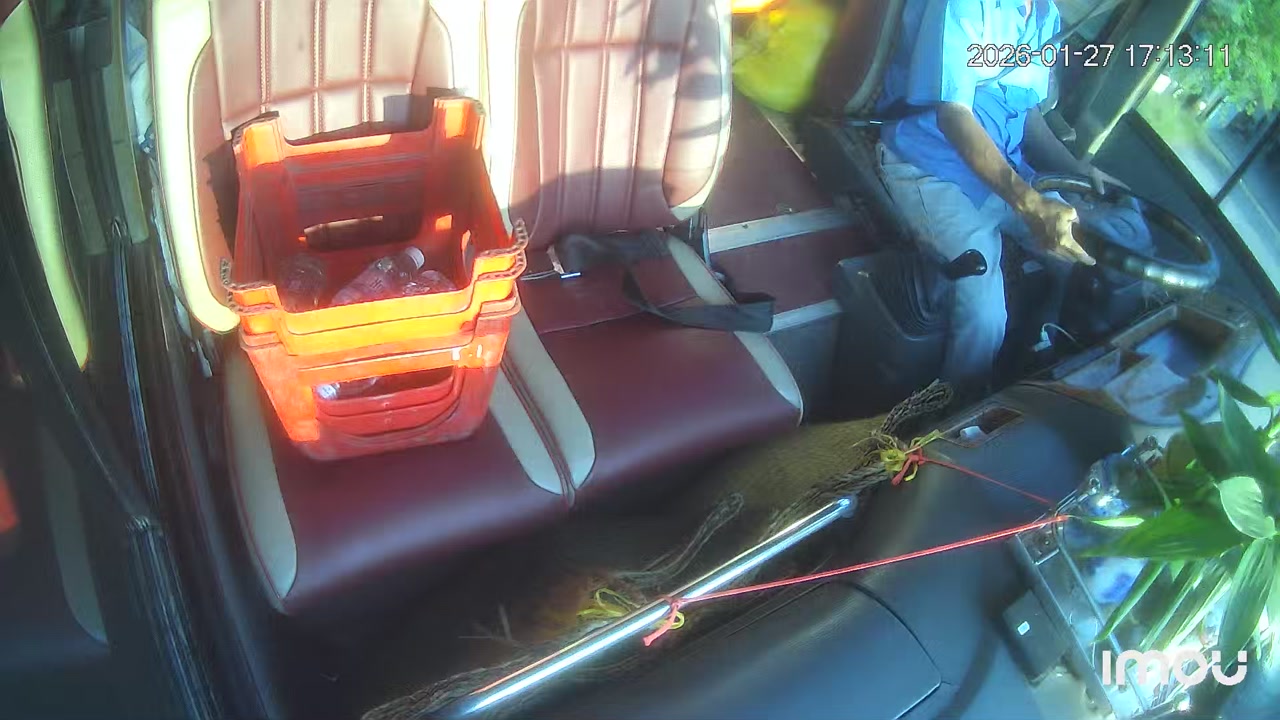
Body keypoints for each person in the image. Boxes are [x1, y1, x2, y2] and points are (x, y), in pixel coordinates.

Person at [877, 0, 1139, 392]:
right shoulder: (965, 6)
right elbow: (954, 115)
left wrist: (1077, 169)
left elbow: (1027, 112)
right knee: (985, 317)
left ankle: (1039, 366)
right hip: (929, 164)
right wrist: (1030, 204)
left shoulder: (1046, 17)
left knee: (1087, 269)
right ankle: (954, 410)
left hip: (1008, 170)